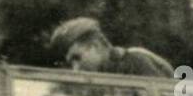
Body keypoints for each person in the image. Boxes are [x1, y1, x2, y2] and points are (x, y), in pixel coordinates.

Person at [47, 17, 175, 78]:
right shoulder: (101, 74)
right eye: (70, 64)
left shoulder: (136, 62)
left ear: (95, 46)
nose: (75, 70)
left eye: (77, 58)